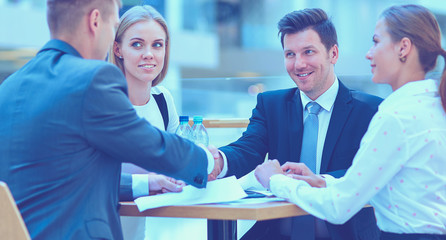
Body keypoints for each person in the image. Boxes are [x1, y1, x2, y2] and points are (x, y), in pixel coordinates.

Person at [0, 1, 217, 239]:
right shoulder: (92, 79)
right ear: (95, 21)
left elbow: (66, 176)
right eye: (114, 25)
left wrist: (144, 184)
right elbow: (149, 145)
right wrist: (208, 160)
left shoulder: (9, 87)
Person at [255, 4, 446, 240]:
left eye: (376, 41)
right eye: (290, 54)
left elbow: (339, 207)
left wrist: (276, 181)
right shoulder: (433, 104)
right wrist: (321, 181)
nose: (369, 53)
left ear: (403, 47)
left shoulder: (396, 116)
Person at [210, 8, 382, 240]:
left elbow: (367, 175)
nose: (298, 64)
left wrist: (319, 181)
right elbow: (248, 149)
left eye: (308, 52)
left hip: (343, 233)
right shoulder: (270, 104)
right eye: (290, 54)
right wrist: (217, 161)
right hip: (278, 232)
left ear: (333, 54)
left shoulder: (370, 111)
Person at [110, 5, 206, 240]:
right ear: (118, 49)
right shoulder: (106, 103)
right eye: (137, 44)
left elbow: (175, 159)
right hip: (105, 225)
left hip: (147, 226)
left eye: (157, 45)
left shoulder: (163, 100)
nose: (149, 54)